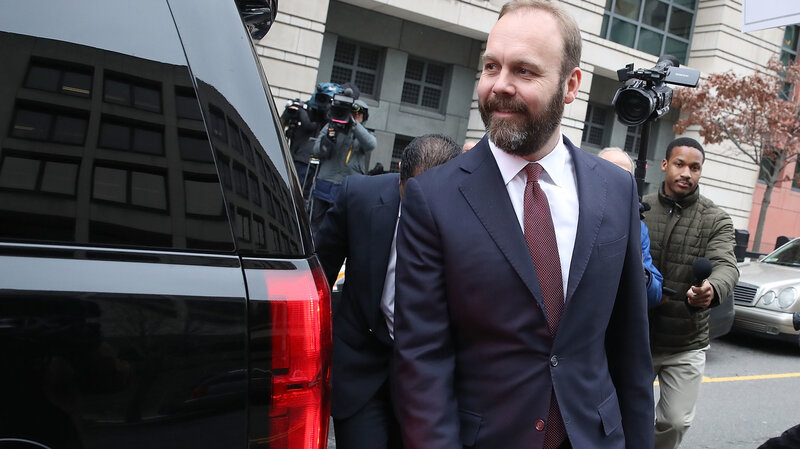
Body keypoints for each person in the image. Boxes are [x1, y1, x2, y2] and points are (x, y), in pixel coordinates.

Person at [392, 1, 654, 448]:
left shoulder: (616, 189)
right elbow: (422, 362)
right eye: (491, 67)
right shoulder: (433, 198)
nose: (500, 86)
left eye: (524, 71)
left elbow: (630, 346)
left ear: (571, 85)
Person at [315, 134, 461, 449]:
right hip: (358, 368)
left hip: (423, 384)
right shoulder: (359, 197)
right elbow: (318, 276)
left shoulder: (469, 219)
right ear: (400, 177)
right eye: (416, 199)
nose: (425, 213)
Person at [643, 137, 739, 449]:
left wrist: (713, 288)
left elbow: (726, 264)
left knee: (675, 421)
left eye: (695, 168)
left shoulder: (716, 219)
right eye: (680, 164)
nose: (687, 173)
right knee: (620, 414)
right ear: (665, 164)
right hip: (636, 338)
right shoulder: (639, 208)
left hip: (686, 342)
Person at [598, 147, 663, 307]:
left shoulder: (637, 229)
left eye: (622, 177)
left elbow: (653, 295)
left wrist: (639, 272)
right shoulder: (571, 212)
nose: (614, 182)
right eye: (608, 173)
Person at [310, 91, 376, 233]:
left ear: (364, 117)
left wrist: (354, 125)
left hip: (347, 187)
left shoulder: (363, 133)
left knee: (340, 227)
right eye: (352, 112)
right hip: (325, 182)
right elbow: (316, 150)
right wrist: (329, 138)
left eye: (359, 114)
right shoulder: (331, 127)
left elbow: (371, 144)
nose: (355, 115)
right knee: (317, 224)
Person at [281, 82, 339, 186]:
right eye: (321, 98)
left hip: (312, 161)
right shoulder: (305, 109)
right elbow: (281, 125)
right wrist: (289, 113)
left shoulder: (332, 118)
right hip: (296, 157)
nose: (322, 102)